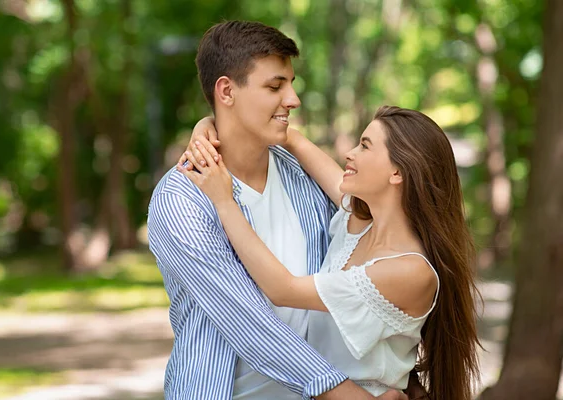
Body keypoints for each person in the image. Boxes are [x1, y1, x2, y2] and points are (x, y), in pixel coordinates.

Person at [148, 20, 406, 399]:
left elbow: (364, 259)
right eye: (274, 86)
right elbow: (249, 323)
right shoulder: (182, 200)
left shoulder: (302, 177)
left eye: (291, 84)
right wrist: (349, 396)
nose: (293, 99)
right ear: (226, 91)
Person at [179, 105, 482, 400]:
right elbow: (293, 140)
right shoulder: (358, 223)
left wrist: (223, 201)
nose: (350, 153)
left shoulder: (409, 271)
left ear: (397, 173)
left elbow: (282, 289)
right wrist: (211, 126)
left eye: (365, 146)